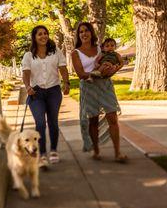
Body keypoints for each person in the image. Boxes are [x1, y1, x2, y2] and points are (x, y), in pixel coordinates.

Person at [71, 22, 127, 163]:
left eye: (87, 31)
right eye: (81, 31)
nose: (84, 33)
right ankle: (96, 151)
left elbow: (114, 61)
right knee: (93, 121)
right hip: (88, 88)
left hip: (105, 86)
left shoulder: (100, 48)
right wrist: (96, 73)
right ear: (78, 35)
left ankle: (118, 152)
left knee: (112, 117)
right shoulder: (75, 53)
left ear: (91, 33)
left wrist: (113, 70)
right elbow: (81, 74)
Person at [22, 25, 70, 167]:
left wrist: (66, 83)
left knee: (53, 122)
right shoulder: (28, 55)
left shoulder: (56, 52)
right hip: (36, 93)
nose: (43, 36)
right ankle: (42, 154)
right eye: (39, 34)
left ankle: (54, 151)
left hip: (54, 92)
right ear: (34, 38)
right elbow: (26, 73)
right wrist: (27, 87)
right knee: (40, 124)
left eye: (45, 33)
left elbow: (63, 68)